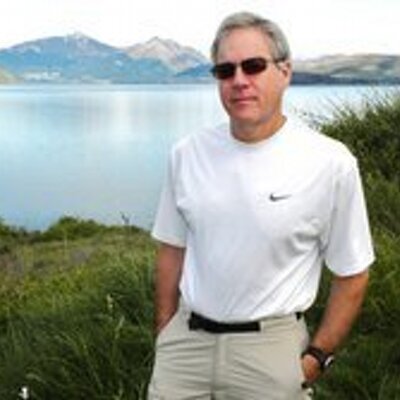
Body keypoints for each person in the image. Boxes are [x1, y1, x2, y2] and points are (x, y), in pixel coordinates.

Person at [147, 11, 375, 400]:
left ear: (285, 72)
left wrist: (317, 357)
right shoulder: (187, 154)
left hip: (271, 352)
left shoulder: (330, 162)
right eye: (225, 70)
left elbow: (353, 273)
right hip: (184, 349)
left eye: (253, 66)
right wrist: (165, 331)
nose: (239, 80)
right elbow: (172, 249)